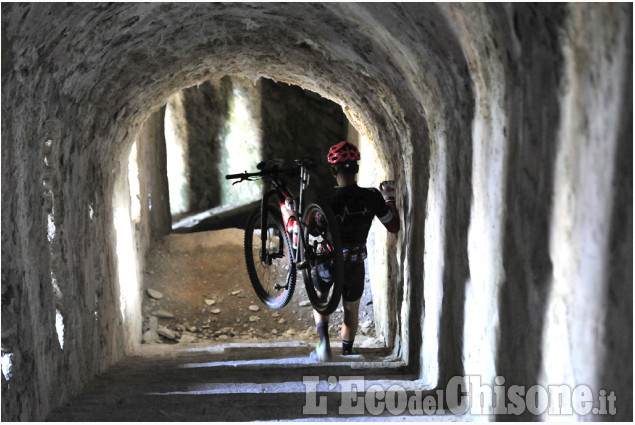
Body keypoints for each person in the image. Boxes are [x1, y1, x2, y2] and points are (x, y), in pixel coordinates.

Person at [310, 141, 400, 361]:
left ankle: (323, 346)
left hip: (328, 260)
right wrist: (389, 199)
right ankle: (348, 351)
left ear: (333, 170)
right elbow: (393, 226)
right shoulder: (371, 196)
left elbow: (314, 229)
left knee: (320, 299)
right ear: (356, 168)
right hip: (355, 261)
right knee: (351, 307)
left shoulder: (326, 200)